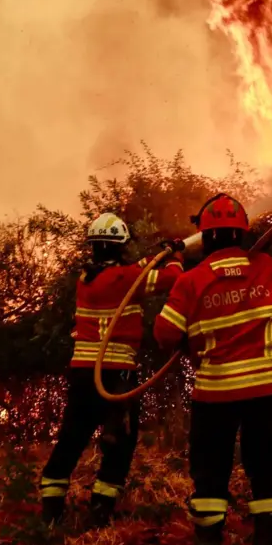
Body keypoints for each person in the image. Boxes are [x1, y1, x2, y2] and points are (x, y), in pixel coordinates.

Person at [153, 193, 272, 545]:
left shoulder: (190, 281)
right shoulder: (267, 267)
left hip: (216, 393)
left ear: (206, 237)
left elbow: (164, 334)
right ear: (242, 234)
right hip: (267, 391)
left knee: (210, 472)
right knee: (266, 469)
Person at [39, 212, 184, 528]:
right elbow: (172, 279)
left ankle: (50, 511)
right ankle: (101, 510)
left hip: (82, 375)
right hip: (116, 375)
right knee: (121, 442)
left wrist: (157, 253)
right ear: (121, 247)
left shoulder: (86, 278)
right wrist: (176, 257)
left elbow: (132, 270)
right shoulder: (127, 278)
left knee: (71, 438)